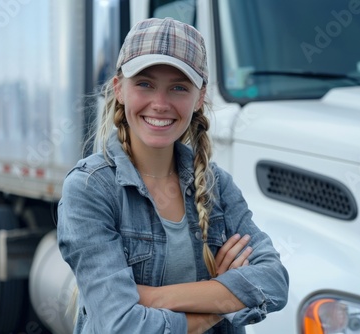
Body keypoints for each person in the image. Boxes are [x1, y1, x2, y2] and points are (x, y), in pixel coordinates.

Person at [57, 17, 289, 334]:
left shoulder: (217, 185)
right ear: (119, 88)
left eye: (178, 87)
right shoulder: (89, 188)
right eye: (145, 83)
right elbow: (122, 325)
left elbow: (275, 282)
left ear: (199, 98)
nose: (161, 104)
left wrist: (153, 297)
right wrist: (220, 301)